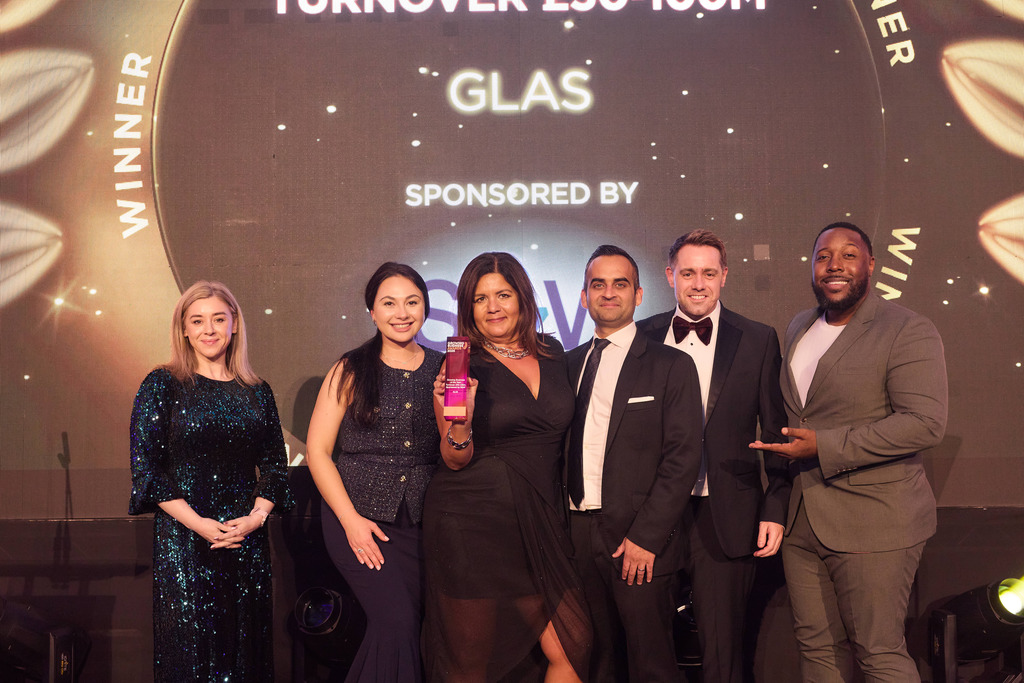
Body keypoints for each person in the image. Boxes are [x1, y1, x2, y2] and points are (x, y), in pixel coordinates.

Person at [750, 222, 947, 681]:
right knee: (817, 651)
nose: (834, 265)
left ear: (871, 264)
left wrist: (824, 445)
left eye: (848, 255)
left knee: (878, 652)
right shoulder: (800, 325)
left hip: (875, 520)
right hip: (803, 520)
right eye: (823, 256)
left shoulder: (907, 329)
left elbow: (925, 423)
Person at [422, 252, 592, 682]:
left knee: (573, 645)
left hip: (540, 519)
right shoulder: (459, 364)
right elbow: (454, 458)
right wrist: (461, 422)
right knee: (470, 663)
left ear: (523, 299)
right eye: (480, 299)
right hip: (472, 523)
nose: (493, 307)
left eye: (503, 295)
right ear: (468, 308)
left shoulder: (553, 352)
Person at [636, 230, 791, 683]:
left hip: (726, 515)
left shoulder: (758, 339)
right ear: (670, 276)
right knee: (647, 650)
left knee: (724, 656)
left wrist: (775, 507)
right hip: (650, 515)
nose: (698, 284)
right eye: (688, 273)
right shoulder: (640, 337)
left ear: (725, 276)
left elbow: (775, 432)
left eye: (708, 273)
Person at [129, 280, 294, 682]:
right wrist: (200, 525)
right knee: (191, 656)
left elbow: (275, 465)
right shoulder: (161, 384)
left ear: (234, 324)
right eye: (197, 321)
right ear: (184, 329)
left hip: (244, 540)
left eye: (218, 319)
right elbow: (147, 470)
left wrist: (255, 519)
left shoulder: (257, 391)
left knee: (246, 654)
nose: (209, 329)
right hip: (184, 541)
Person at [567, 245, 703, 682]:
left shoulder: (671, 365)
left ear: (639, 295)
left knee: (651, 665)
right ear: (584, 296)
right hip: (574, 536)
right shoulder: (565, 365)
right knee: (596, 663)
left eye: (620, 284)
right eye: (598, 284)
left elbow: (683, 457)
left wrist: (646, 537)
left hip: (638, 541)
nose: (609, 293)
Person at [306, 262, 443, 681]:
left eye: (412, 302)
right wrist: (351, 522)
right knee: (397, 623)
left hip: (426, 523)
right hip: (357, 519)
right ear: (372, 311)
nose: (401, 313)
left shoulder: (446, 368)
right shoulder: (350, 368)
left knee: (415, 630)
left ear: (425, 308)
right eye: (389, 303)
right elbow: (318, 451)